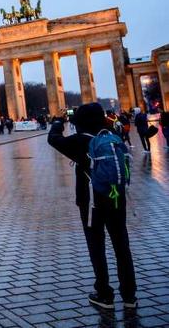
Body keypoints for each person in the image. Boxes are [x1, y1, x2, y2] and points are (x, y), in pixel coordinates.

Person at [48, 103, 137, 309]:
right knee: (121, 244)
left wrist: (58, 121)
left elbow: (53, 139)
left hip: (91, 202)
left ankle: (104, 293)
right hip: (116, 197)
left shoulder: (80, 140)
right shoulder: (112, 135)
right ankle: (130, 295)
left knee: (96, 246)